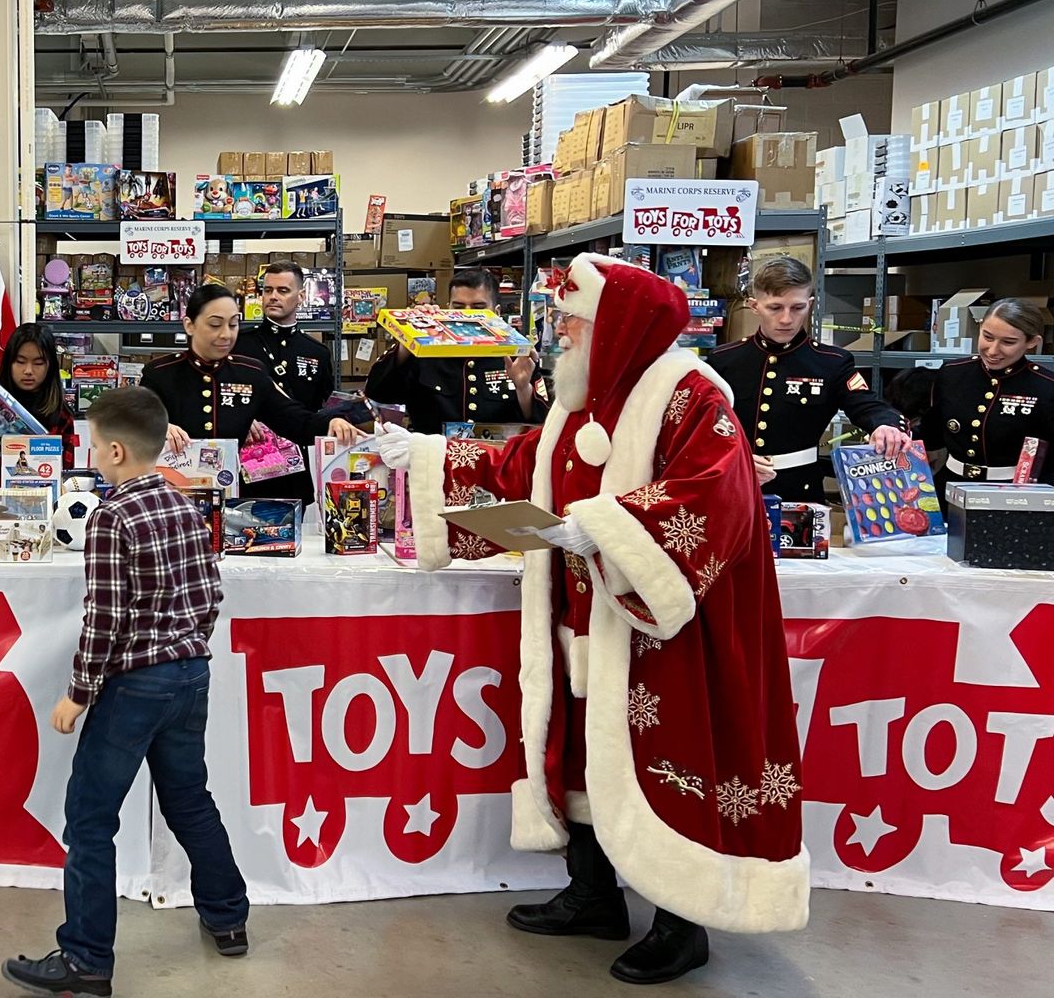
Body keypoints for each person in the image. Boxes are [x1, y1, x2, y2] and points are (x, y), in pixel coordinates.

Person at [378, 253, 808, 985]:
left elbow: (718, 497)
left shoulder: (691, 395)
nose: (562, 338)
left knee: (676, 755)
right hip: (577, 613)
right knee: (577, 748)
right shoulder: (581, 396)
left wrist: (610, 531)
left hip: (664, 627)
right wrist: (427, 456)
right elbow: (526, 469)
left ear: (618, 326)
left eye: (575, 324)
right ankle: (593, 893)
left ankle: (682, 921)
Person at [2, 387, 249, 997]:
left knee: (89, 818)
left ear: (114, 451)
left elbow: (104, 617)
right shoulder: (185, 505)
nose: (90, 455)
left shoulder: (112, 517)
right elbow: (211, 596)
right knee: (190, 800)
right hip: (192, 674)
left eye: (91, 446)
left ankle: (85, 960)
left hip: (135, 685)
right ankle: (229, 916)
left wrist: (78, 694)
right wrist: (185, 643)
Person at [705, 257, 908, 502]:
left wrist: (886, 425)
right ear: (754, 306)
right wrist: (732, 455)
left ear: (810, 304)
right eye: (775, 307)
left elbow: (866, 404)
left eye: (797, 307)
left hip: (800, 491)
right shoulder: (725, 359)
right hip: (732, 487)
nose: (786, 319)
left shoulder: (831, 362)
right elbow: (702, 424)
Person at [143, 284, 363, 463]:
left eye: (233, 325)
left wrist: (330, 423)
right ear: (189, 325)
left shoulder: (250, 372)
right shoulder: (160, 373)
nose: (226, 335)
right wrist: (158, 427)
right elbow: (126, 425)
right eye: (215, 325)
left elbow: (296, 421)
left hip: (229, 492)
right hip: (171, 495)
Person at [364, 268, 548, 434]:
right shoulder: (425, 352)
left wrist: (523, 388)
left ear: (497, 312)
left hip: (496, 463)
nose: (467, 315)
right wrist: (409, 337)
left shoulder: (517, 355)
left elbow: (542, 422)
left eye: (478, 308)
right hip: (434, 462)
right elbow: (378, 392)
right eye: (458, 308)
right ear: (448, 307)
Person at [917, 297, 1054, 485]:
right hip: (950, 486)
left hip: (1013, 493)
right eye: (987, 337)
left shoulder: (1046, 386)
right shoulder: (952, 374)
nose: (992, 350)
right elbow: (930, 435)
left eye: (1008, 342)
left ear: (1032, 342)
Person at [233, 262, 339, 502]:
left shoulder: (317, 352)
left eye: (282, 291)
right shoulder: (239, 344)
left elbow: (324, 408)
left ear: (301, 296)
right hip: (248, 463)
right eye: (267, 290)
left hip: (296, 471)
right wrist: (240, 418)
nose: (272, 297)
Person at [0, 322, 78, 486]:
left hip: (43, 505)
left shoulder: (62, 416)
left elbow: (66, 476)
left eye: (38, 363)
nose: (28, 370)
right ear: (9, 364)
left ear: (50, 366)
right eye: (20, 361)